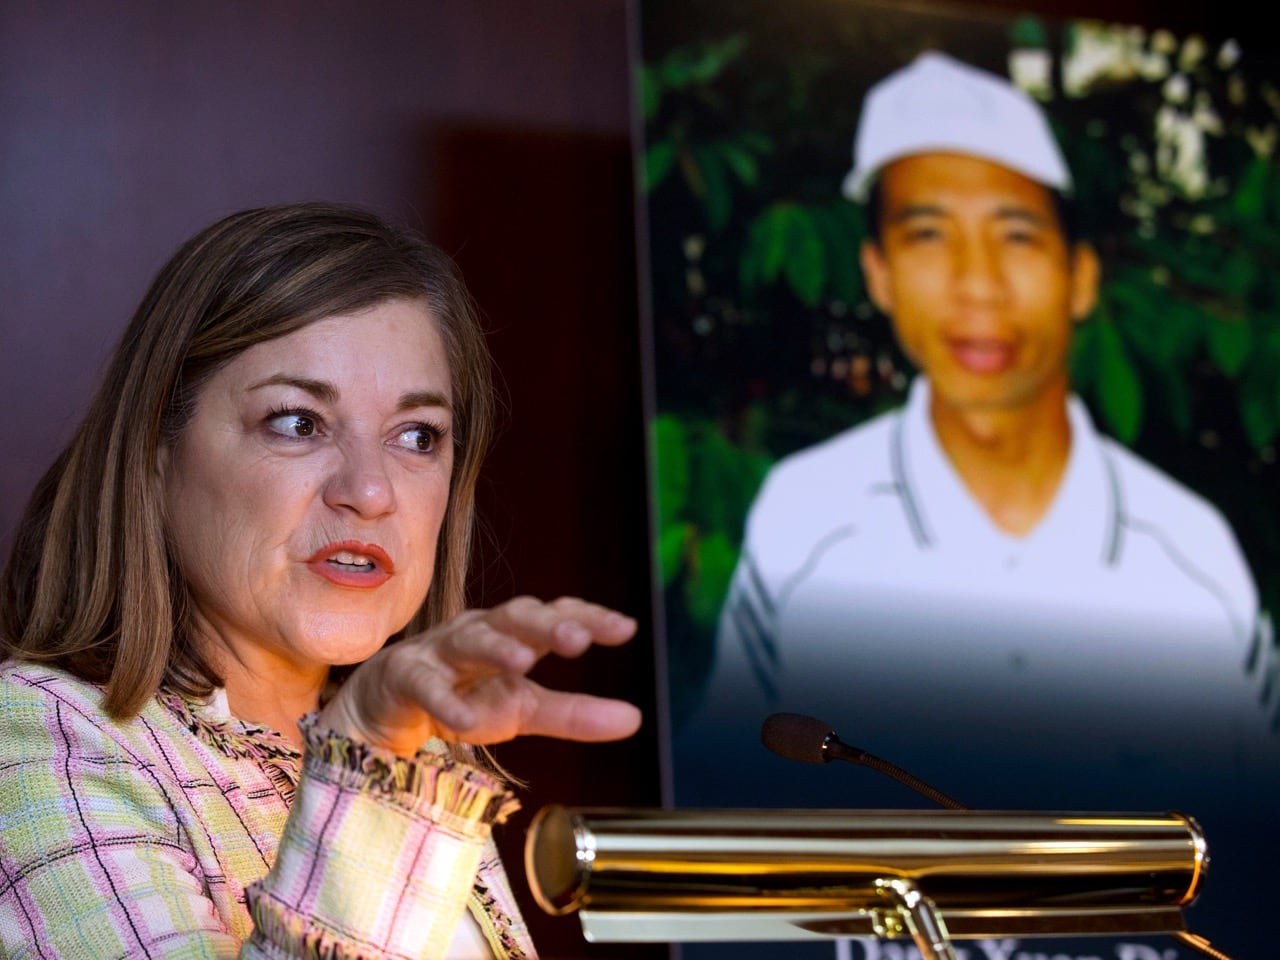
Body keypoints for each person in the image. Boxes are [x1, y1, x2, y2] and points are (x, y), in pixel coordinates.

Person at [679, 52, 1276, 959]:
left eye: (1015, 235)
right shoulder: (804, 518)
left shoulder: (1193, 551)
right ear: (877, 273)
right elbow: (727, 855)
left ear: (1080, 275)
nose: (976, 284)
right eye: (928, 235)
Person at [0, 202, 642, 959]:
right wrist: (364, 760)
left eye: (416, 436)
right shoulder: (41, 738)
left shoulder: (422, 752)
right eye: (299, 422)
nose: (370, 492)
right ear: (155, 451)